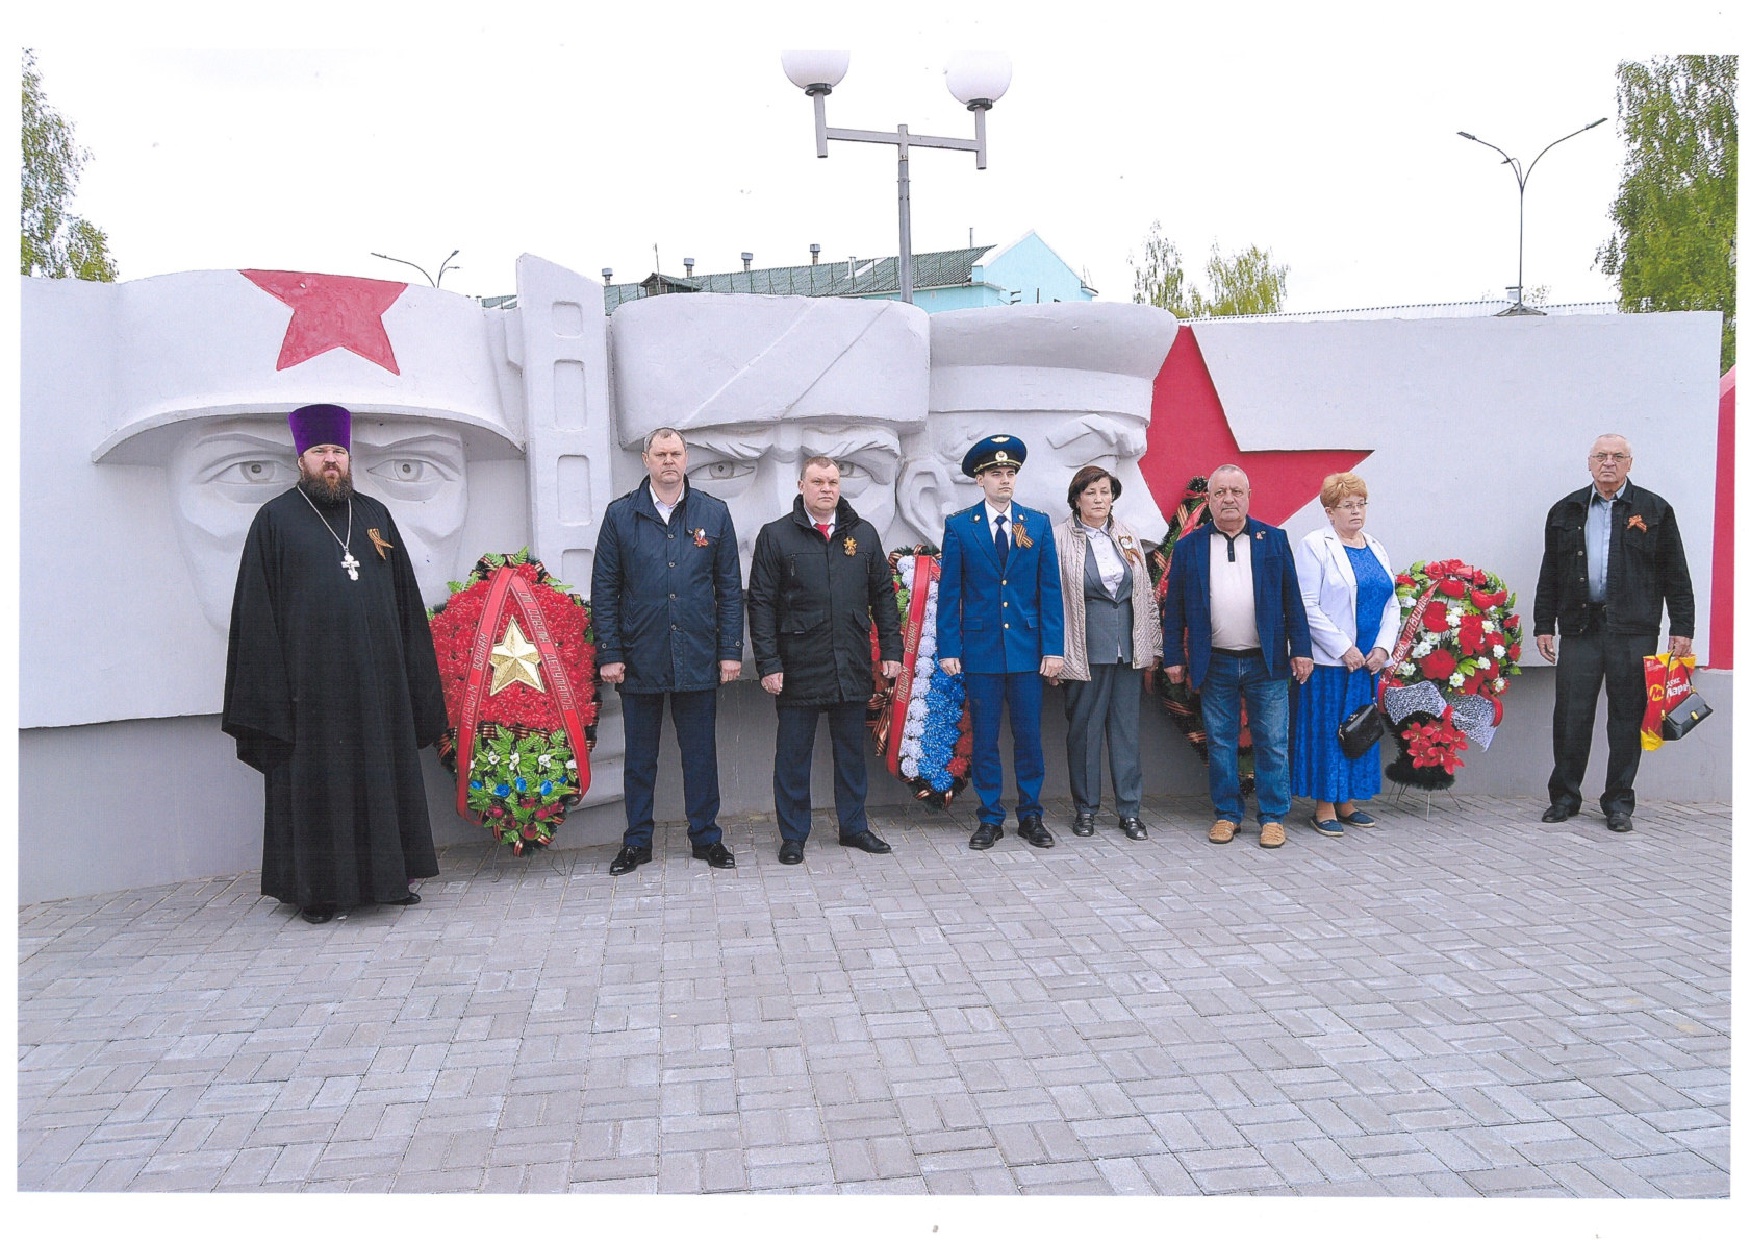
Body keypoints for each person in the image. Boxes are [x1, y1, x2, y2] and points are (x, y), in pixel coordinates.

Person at [222, 403, 447, 925]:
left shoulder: (374, 516)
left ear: (350, 458)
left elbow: (403, 600)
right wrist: (273, 692)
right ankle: (317, 892)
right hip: (310, 691)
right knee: (317, 786)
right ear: (301, 458)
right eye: (320, 451)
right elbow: (256, 614)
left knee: (380, 775)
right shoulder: (274, 521)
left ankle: (391, 879)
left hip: (377, 686)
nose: (331, 461)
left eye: (339, 452)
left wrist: (414, 682)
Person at [592, 428, 744, 874]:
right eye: (660, 454)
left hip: (697, 653)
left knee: (700, 754)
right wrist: (609, 652)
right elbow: (605, 589)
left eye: (676, 453)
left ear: (687, 458)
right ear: (646, 460)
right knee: (640, 758)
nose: (669, 461)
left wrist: (730, 651)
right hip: (640, 655)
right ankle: (637, 842)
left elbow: (729, 590)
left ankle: (706, 838)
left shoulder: (713, 514)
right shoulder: (621, 516)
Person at [1533, 434, 1694, 833]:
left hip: (1633, 630)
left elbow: (1676, 573)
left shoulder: (1654, 510)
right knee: (1571, 716)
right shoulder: (1566, 509)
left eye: (1617, 457)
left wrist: (1683, 627)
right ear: (1589, 463)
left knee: (1626, 718)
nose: (1609, 463)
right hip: (1580, 627)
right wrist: (1543, 625)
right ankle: (1565, 797)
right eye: (1601, 456)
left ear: (1629, 464)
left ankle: (1618, 802)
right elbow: (1550, 572)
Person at [748, 457, 905, 863]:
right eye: (817, 481)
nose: (826, 488)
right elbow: (761, 604)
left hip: (850, 662)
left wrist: (891, 650)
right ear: (801, 485)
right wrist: (769, 663)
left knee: (851, 752)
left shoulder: (863, 535)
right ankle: (794, 836)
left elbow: (883, 597)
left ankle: (854, 828)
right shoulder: (777, 536)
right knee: (793, 755)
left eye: (833, 481)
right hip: (798, 665)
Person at [1161, 464, 1313, 849]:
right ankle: (1227, 815)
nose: (1228, 498)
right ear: (1208, 499)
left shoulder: (1274, 540)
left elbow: (1292, 602)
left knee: (1273, 742)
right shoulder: (1189, 547)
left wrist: (1303, 651)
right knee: (1221, 742)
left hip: (1268, 661)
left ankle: (1274, 816)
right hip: (1215, 661)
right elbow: (1174, 608)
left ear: (1249, 496)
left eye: (1236, 491)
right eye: (1220, 492)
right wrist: (1174, 657)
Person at [937, 435, 1066, 850]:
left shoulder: (1036, 523)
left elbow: (1050, 590)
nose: (1005, 480)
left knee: (1029, 737)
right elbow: (951, 595)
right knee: (987, 738)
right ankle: (990, 817)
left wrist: (1053, 647)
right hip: (982, 650)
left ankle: (1031, 816)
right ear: (980, 480)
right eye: (996, 474)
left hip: (1028, 650)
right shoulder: (959, 526)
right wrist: (949, 648)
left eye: (1010, 473)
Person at [1050, 464, 1163, 841]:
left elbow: (1144, 593)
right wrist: (1053, 652)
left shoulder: (1127, 534)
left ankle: (1130, 811)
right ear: (1076, 499)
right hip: (1084, 651)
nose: (1099, 499)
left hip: (1126, 650)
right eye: (1091, 493)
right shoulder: (1060, 538)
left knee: (1126, 733)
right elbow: (1050, 601)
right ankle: (1086, 810)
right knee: (1084, 733)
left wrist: (1154, 645)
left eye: (1105, 492)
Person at [1291, 472, 1400, 836]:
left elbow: (1392, 602)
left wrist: (1382, 648)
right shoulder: (1314, 545)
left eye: (1360, 504)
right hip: (1330, 664)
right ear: (1329, 511)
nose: (1356, 512)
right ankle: (1324, 806)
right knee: (1329, 732)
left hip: (1367, 665)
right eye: (1347, 506)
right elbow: (1307, 605)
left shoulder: (1376, 546)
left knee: (1358, 731)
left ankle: (1347, 802)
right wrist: (1344, 648)